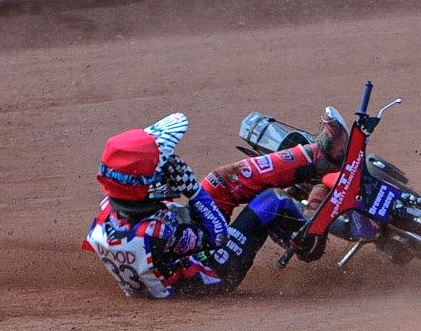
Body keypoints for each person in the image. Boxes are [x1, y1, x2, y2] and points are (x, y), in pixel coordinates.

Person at [83, 108, 349, 298]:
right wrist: (193, 191)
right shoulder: (158, 231)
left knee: (220, 181)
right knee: (271, 202)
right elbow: (217, 235)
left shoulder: (111, 209)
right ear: (140, 187)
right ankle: (310, 239)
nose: (169, 170)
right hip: (214, 272)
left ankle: (318, 158)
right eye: (162, 168)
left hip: (180, 255)